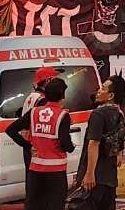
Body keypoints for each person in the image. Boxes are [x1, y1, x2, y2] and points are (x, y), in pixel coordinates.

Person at [6, 78, 74, 210]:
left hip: (35, 171)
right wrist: (72, 147)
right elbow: (65, 144)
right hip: (56, 172)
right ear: (63, 96)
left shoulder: (34, 112)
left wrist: (28, 146)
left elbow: (11, 130)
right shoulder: (62, 115)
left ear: (46, 94)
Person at [77, 76, 125, 210]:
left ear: (111, 95)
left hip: (95, 177)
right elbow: (120, 139)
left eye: (103, 89)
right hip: (110, 177)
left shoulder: (98, 114)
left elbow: (94, 143)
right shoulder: (119, 112)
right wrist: (119, 153)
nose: (98, 91)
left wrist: (89, 173)